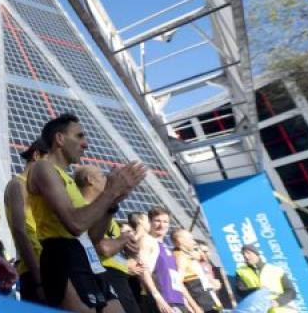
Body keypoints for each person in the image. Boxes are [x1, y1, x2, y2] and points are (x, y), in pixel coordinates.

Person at [28, 113, 146, 312]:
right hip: (62, 255)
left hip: (87, 257)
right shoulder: (43, 168)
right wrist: (110, 191)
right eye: (80, 136)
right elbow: (75, 225)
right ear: (59, 139)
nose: (86, 144)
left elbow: (92, 236)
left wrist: (113, 203)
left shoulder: (68, 180)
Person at [75, 165, 142, 313]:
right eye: (102, 176)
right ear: (89, 180)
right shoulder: (84, 210)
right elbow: (102, 247)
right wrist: (123, 240)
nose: (107, 180)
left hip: (120, 275)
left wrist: (130, 250)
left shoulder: (105, 211)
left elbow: (115, 245)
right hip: (105, 273)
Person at [4, 138, 49, 304]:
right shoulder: (18, 185)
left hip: (48, 266)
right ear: (36, 156)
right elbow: (20, 231)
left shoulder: (40, 191)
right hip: (34, 270)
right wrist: (38, 279)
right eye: (49, 162)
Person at [139, 207, 195, 313]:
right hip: (163, 300)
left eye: (165, 221)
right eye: (157, 221)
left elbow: (174, 279)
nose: (161, 225)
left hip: (176, 299)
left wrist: (187, 304)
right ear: (150, 222)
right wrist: (158, 297)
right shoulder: (147, 240)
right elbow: (143, 271)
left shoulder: (165, 246)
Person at [235, 245, 297, 313]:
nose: (245, 256)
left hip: (282, 310)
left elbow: (291, 292)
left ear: (256, 254)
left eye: (248, 253)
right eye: (243, 254)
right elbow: (240, 291)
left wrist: (278, 301)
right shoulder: (241, 271)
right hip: (259, 309)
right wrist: (257, 290)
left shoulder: (276, 270)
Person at [172, 229, 217, 313]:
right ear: (180, 241)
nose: (194, 242)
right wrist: (195, 306)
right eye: (190, 239)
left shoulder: (187, 255)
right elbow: (178, 283)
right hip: (199, 302)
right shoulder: (181, 258)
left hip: (206, 299)